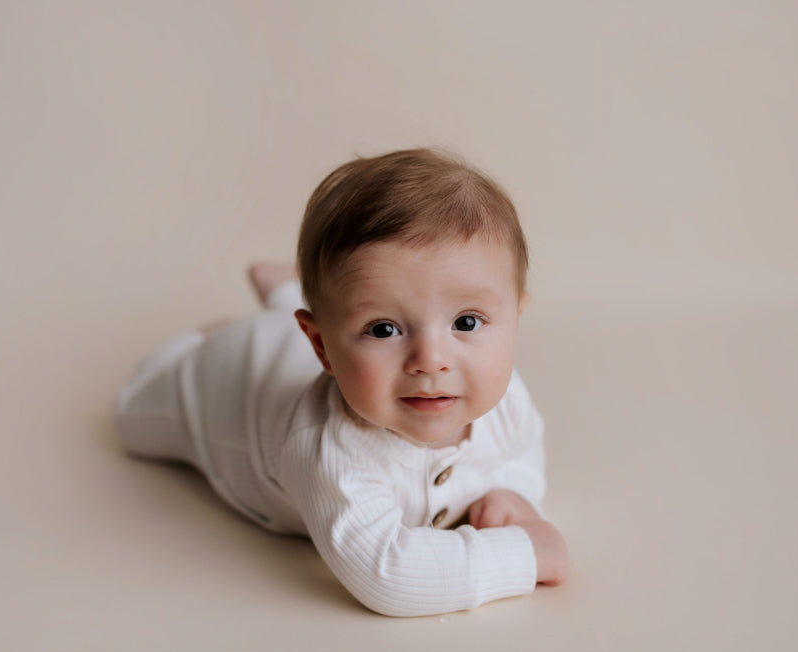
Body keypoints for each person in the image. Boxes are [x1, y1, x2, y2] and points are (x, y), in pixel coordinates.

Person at [114, 148, 568, 617]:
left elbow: (522, 448)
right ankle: (200, 338)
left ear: (515, 317)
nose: (431, 362)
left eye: (467, 322)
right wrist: (525, 554)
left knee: (342, 308)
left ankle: (288, 291)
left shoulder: (503, 396)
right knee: (129, 420)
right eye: (384, 329)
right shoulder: (330, 449)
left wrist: (513, 491)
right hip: (227, 378)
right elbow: (387, 574)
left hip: (305, 348)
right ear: (321, 345)